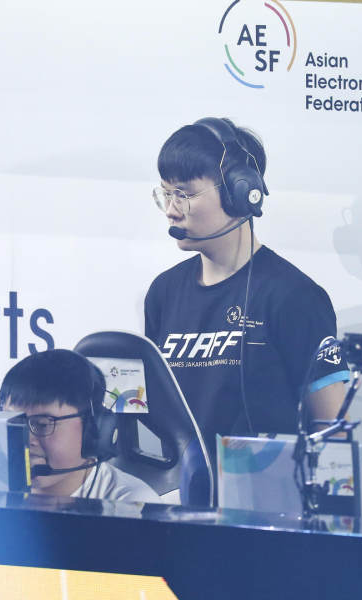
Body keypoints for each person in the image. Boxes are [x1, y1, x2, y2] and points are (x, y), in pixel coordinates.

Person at [144, 117, 349, 460]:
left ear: (239, 193)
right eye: (166, 194)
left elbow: (333, 431)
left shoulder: (294, 297)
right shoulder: (163, 293)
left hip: (266, 489)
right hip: (181, 490)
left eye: (185, 194)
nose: (171, 210)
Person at [0, 349, 160, 502]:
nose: (25, 439)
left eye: (42, 424)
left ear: (92, 430)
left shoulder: (132, 504)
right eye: (14, 422)